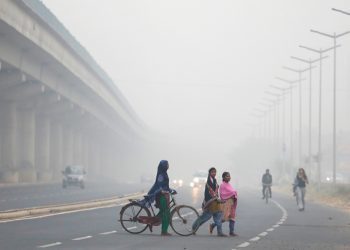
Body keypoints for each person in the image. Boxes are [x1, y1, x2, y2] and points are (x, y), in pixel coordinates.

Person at [192, 167, 227, 237]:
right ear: (209, 173)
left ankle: (220, 232)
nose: (214, 173)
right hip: (210, 203)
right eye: (212, 172)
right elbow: (208, 194)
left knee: (218, 217)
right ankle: (193, 228)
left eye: (215, 172)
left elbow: (216, 192)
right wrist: (214, 199)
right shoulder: (208, 182)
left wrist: (218, 199)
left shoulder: (215, 180)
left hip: (216, 203)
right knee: (203, 218)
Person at [146, 160, 175, 236]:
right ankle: (164, 231)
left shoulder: (164, 173)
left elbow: (165, 186)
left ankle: (151, 222)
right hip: (161, 197)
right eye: (167, 164)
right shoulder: (161, 175)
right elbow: (159, 185)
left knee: (163, 212)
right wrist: (163, 191)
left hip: (164, 195)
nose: (168, 165)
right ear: (163, 166)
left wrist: (171, 190)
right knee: (166, 214)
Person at [210, 172, 238, 236]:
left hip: (232, 203)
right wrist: (233, 193)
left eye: (229, 176)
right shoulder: (222, 185)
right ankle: (213, 225)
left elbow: (232, 192)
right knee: (224, 218)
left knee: (232, 217)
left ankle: (231, 232)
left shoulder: (229, 184)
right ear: (223, 177)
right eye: (227, 176)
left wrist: (233, 194)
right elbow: (222, 194)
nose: (228, 177)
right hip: (226, 203)